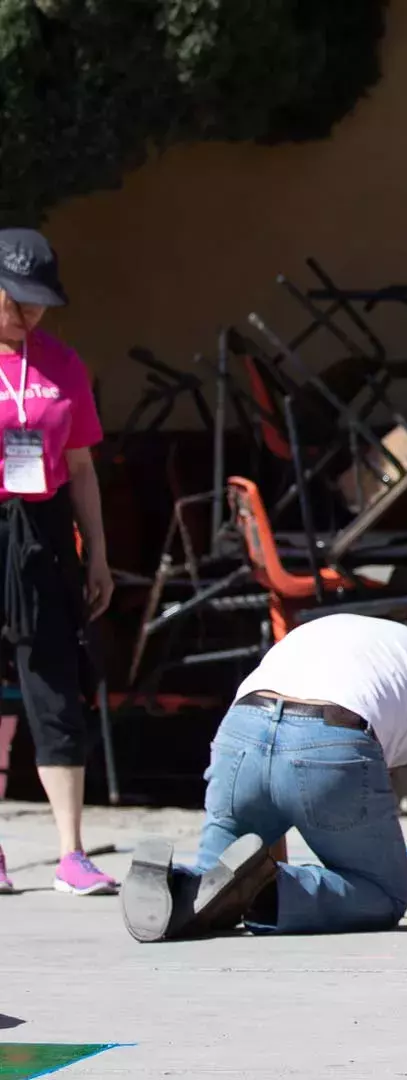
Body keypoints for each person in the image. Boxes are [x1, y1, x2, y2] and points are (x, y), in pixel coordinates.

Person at [119, 614, 407, 941]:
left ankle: (178, 885)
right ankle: (268, 892)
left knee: (216, 873)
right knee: (382, 893)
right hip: (329, 737)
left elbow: (270, 807)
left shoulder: (356, 636)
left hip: (241, 727)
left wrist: (262, 860)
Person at [0, 228, 116, 897]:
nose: (25, 314)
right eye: (13, 300)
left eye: (37, 302)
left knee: (53, 682)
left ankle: (71, 853)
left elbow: (81, 467)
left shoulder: (63, 364)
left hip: (43, 532)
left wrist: (96, 552)